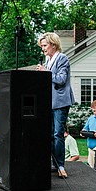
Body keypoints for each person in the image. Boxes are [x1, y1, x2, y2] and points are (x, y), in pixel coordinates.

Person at [36, 32, 75, 178]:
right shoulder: (48, 60)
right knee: (50, 135)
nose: (43, 49)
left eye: (45, 46)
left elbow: (61, 79)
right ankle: (54, 163)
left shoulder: (62, 58)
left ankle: (61, 166)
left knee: (58, 134)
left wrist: (46, 72)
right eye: (42, 46)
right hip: (49, 102)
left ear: (53, 44)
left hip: (61, 102)